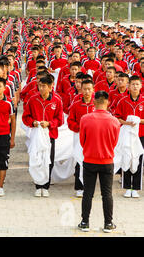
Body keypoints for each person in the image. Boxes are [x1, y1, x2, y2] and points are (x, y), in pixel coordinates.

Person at [78, 90, 121, 233]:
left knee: (88, 193)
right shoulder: (114, 121)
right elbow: (114, 142)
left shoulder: (85, 118)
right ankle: (108, 223)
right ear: (107, 102)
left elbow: (82, 141)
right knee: (107, 194)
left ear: (94, 101)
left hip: (89, 160)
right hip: (107, 160)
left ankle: (85, 222)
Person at [22, 74, 64, 197]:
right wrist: (33, 122)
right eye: (39, 86)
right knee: (36, 159)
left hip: (50, 135)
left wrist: (49, 123)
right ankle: (38, 184)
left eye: (44, 86)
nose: (41, 88)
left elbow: (60, 120)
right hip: (36, 135)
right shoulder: (33, 99)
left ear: (51, 87)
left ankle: (45, 186)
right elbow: (25, 117)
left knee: (48, 160)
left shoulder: (57, 100)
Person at [114, 75, 144, 198]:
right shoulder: (123, 100)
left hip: (141, 135)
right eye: (133, 84)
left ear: (141, 86)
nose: (135, 86)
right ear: (128, 86)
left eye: (137, 84)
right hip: (126, 135)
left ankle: (135, 188)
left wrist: (139, 121)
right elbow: (117, 117)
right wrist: (127, 123)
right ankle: (127, 187)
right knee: (126, 158)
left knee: (138, 159)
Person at [67, 79, 95, 197]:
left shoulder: (97, 104)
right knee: (79, 160)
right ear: (81, 90)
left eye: (89, 89)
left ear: (93, 89)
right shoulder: (76, 105)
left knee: (92, 161)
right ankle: (79, 186)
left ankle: (90, 187)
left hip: (94, 138)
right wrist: (79, 127)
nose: (87, 91)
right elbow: (70, 121)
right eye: (85, 89)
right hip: (79, 136)